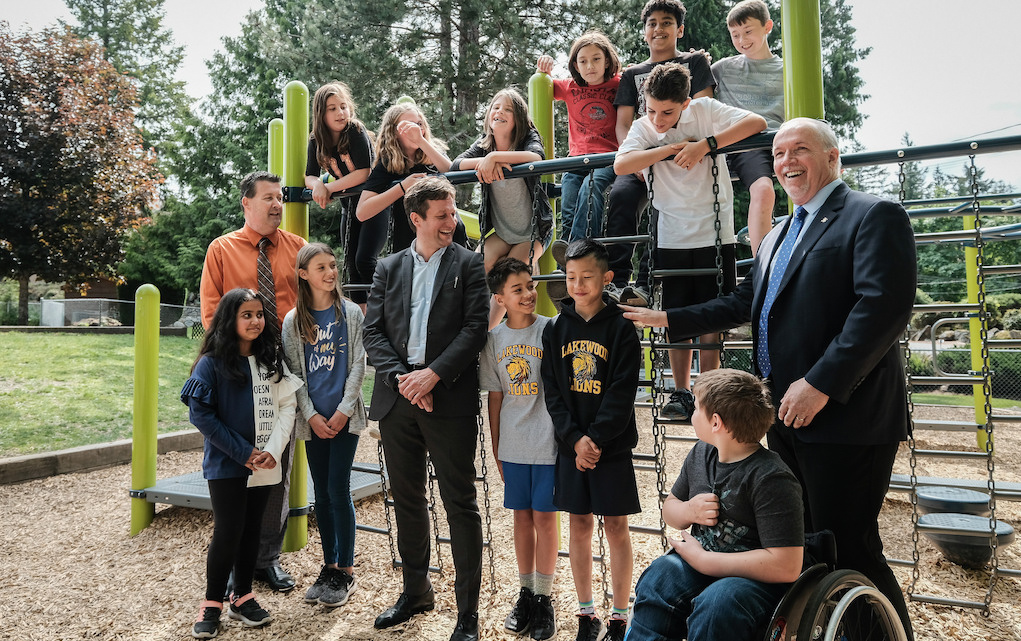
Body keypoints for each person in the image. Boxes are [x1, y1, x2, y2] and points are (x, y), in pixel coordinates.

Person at [621, 117, 917, 639]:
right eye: (779, 154)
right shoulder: (780, 232)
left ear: (833, 157)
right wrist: (671, 320)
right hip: (783, 417)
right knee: (800, 545)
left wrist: (821, 382)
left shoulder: (872, 215)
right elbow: (744, 302)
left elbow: (883, 307)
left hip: (847, 417)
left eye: (799, 149)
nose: (786, 162)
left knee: (851, 545)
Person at [363, 176, 489, 641]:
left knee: (460, 504)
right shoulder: (388, 267)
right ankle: (415, 592)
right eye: (441, 216)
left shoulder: (470, 264)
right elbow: (372, 332)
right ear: (415, 219)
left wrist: (433, 375)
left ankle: (467, 615)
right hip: (399, 400)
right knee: (407, 499)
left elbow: (475, 327)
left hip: (448, 397)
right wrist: (407, 380)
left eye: (453, 213)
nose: (450, 222)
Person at [614, 62, 766, 421]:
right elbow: (622, 164)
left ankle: (709, 390)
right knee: (677, 319)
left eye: (667, 112)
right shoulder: (644, 127)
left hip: (715, 233)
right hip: (671, 234)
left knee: (711, 318)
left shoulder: (704, 110)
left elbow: (756, 124)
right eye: (651, 109)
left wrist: (705, 146)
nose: (658, 119)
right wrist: (667, 150)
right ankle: (681, 392)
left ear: (685, 103)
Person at [627, 368, 803, 641]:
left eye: (696, 408)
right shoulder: (701, 454)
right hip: (701, 565)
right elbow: (671, 508)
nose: (692, 414)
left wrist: (706, 561)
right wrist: (689, 511)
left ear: (716, 423)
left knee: (718, 604)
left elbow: (787, 565)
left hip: (752, 582)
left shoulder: (771, 477)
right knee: (659, 577)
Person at [199, 171, 307, 593]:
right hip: (236, 370)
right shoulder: (222, 249)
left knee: (277, 464)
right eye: (268, 198)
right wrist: (230, 366)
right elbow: (211, 314)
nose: (277, 204)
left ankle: (265, 559)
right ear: (247, 203)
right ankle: (231, 563)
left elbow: (314, 303)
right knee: (234, 462)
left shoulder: (296, 248)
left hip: (282, 368)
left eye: (280, 197)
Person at [181, 288, 303, 639]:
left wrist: (272, 451)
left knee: (254, 529)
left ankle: (243, 595)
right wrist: (244, 453)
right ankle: (212, 603)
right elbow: (201, 415)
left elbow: (286, 408)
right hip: (228, 463)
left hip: (267, 463)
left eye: (259, 314)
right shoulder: (212, 363)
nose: (254, 321)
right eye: (246, 314)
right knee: (228, 530)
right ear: (229, 319)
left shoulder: (271, 360)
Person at [541, 239, 641, 641]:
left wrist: (594, 440)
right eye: (571, 277)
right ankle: (587, 614)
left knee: (616, 527)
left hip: (610, 448)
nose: (578, 285)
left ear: (606, 278)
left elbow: (622, 392)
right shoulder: (555, 329)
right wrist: (575, 439)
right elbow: (552, 391)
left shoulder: (621, 329)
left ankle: (619, 615)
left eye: (587, 277)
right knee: (578, 525)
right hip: (571, 448)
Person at [604, 0, 717, 309]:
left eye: (666, 22)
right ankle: (616, 280)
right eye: (652, 23)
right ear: (644, 32)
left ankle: (643, 284)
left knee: (661, 205)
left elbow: (703, 111)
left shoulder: (694, 64)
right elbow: (623, 124)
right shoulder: (633, 75)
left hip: (680, 162)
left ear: (679, 29)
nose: (658, 28)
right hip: (642, 159)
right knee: (621, 197)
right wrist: (641, 158)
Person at [281, 243, 366, 608]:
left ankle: (345, 570)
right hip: (313, 420)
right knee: (321, 492)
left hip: (343, 419)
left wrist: (344, 410)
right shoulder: (293, 321)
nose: (331, 273)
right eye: (321, 268)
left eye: (333, 266)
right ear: (304, 274)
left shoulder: (349, 313)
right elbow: (293, 373)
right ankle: (329, 564)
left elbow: (359, 364)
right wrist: (312, 415)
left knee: (337, 488)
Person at [478, 257, 558, 641]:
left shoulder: (552, 330)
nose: (529, 293)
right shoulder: (494, 341)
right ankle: (525, 592)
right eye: (518, 289)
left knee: (545, 518)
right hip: (512, 443)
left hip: (547, 442)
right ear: (500, 298)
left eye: (530, 285)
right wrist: (495, 448)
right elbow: (495, 398)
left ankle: (544, 598)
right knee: (521, 519)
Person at [451, 88, 554, 328]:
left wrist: (497, 157)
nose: (500, 111)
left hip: (532, 233)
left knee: (508, 277)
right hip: (503, 232)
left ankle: (485, 332)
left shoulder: (527, 138)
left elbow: (537, 157)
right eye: (496, 107)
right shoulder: (484, 146)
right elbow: (456, 165)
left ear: (518, 118)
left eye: (508, 109)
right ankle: (465, 325)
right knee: (474, 267)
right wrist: (487, 159)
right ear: (488, 116)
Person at [535, 31, 622, 248]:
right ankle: (568, 263)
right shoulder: (569, 87)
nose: (590, 66)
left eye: (596, 59)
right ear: (575, 64)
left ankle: (577, 253)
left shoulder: (619, 83)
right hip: (575, 161)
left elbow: (646, 80)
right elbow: (543, 85)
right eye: (583, 61)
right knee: (569, 203)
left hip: (607, 158)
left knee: (591, 189)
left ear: (607, 61)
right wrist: (542, 70)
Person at [711, 0, 784, 254]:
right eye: (735, 35)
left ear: (767, 27)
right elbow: (689, 90)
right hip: (747, 143)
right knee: (763, 189)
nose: (742, 39)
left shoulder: (788, 70)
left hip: (783, 141)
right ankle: (762, 268)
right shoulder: (721, 70)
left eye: (748, 31)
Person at [355, 101, 466, 257]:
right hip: (412, 244)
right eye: (408, 125)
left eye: (419, 124)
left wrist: (421, 141)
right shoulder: (389, 165)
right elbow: (362, 212)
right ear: (393, 132)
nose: (415, 129)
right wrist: (402, 187)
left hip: (451, 240)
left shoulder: (434, 153)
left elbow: (450, 170)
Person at [304, 83, 374, 313]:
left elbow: (364, 172)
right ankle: (361, 318)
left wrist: (329, 187)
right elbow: (309, 176)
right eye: (332, 108)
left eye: (343, 106)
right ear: (321, 114)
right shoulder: (316, 141)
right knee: (351, 263)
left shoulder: (355, 131)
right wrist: (318, 186)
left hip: (374, 202)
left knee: (364, 259)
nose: (340, 113)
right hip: (349, 205)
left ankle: (381, 310)